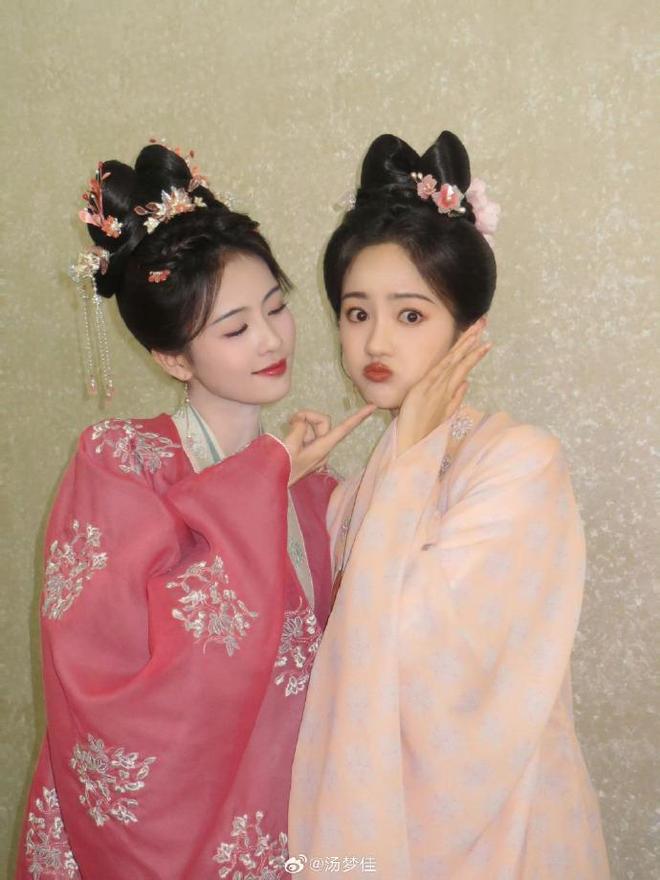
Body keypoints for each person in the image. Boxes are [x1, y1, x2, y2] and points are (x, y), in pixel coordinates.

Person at [16, 142, 373, 880]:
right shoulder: (118, 461)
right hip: (172, 833)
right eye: (235, 329)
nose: (271, 339)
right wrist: (265, 478)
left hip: (295, 814)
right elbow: (104, 684)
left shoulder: (314, 487)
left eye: (277, 306)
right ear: (173, 358)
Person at [289, 131, 610, 878]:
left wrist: (408, 454)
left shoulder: (521, 463)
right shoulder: (355, 491)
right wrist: (278, 488)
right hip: (381, 819)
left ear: (469, 330)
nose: (375, 342)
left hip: (506, 826)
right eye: (356, 313)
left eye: (410, 315)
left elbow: (421, 656)